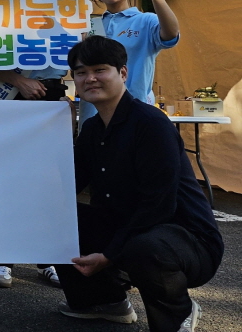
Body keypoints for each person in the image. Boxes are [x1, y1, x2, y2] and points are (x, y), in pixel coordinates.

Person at [56, 35, 222, 332]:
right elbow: (69, 185)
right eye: (81, 72)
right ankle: (104, 302)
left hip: (184, 240)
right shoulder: (92, 128)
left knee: (144, 247)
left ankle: (178, 314)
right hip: (129, 228)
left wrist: (109, 255)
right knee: (57, 217)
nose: (89, 78)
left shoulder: (151, 124)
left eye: (99, 70)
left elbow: (159, 205)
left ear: (122, 73)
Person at [0, 0, 68, 289]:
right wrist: (18, 80)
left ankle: (48, 259)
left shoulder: (63, 5)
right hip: (10, 97)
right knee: (6, 178)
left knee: (47, 182)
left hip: (50, 99)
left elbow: (77, 52)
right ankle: (2, 258)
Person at [88, 0, 179, 105]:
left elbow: (171, 34)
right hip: (94, 110)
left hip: (134, 108)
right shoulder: (91, 25)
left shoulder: (146, 20)